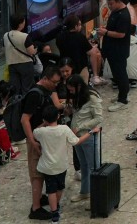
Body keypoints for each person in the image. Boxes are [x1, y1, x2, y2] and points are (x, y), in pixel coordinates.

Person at [34, 104, 98, 222]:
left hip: (47, 167)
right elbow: (77, 141)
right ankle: (57, 205)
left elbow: (34, 132)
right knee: (60, 188)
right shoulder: (64, 129)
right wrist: (91, 132)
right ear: (58, 116)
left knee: (50, 190)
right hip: (61, 165)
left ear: (44, 119)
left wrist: (44, 123)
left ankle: (54, 214)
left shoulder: (41, 132)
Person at [22, 66, 61, 220]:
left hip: (43, 136)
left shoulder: (45, 91)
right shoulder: (35, 94)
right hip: (35, 138)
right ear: (45, 78)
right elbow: (25, 119)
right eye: (54, 82)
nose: (55, 85)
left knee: (43, 169)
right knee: (36, 173)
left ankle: (39, 199)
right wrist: (32, 141)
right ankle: (35, 208)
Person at [64, 75, 102, 204]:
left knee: (94, 167)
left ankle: (97, 198)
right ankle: (85, 192)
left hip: (88, 136)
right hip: (76, 137)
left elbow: (98, 118)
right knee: (84, 166)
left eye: (72, 90)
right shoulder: (76, 97)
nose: (71, 92)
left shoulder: (92, 97)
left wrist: (80, 127)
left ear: (79, 86)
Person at [99, 0, 132, 111]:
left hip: (119, 50)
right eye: (108, 4)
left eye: (111, 4)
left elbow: (121, 34)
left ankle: (123, 100)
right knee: (117, 75)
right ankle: (121, 95)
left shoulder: (123, 15)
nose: (110, 6)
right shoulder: (115, 11)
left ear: (118, 1)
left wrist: (106, 33)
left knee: (120, 74)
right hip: (111, 49)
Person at [4, 13, 37, 95]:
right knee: (27, 89)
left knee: (15, 90)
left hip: (12, 65)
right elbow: (31, 52)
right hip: (25, 65)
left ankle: (16, 106)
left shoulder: (6, 35)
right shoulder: (25, 36)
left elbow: (6, 48)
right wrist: (36, 49)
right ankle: (25, 106)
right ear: (20, 24)